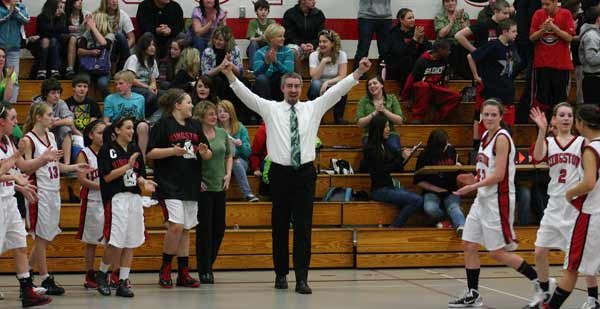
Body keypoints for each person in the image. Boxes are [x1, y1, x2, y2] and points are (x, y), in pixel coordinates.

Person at [223, 53, 373, 294]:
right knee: (279, 226)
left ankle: (302, 278)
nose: (293, 90)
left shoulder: (313, 108)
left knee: (304, 228)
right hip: (280, 174)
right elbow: (247, 96)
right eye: (289, 86)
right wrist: (230, 73)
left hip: (304, 174)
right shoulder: (270, 109)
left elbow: (336, 92)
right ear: (282, 88)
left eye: (297, 86)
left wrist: (358, 74)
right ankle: (281, 274)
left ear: (301, 89)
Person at [448, 99, 541, 308]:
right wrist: (472, 178)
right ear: (481, 116)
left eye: (493, 115)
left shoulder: (502, 138)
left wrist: (472, 187)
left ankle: (541, 284)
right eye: (486, 114)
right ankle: (473, 293)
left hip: (498, 199)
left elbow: (499, 175)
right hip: (483, 198)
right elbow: (486, 170)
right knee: (469, 243)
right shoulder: (484, 136)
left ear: (501, 116)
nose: (489, 118)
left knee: (497, 252)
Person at [529, 104, 599, 309]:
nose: (566, 118)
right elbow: (538, 157)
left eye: (570, 115)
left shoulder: (583, 142)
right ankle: (544, 292)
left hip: (576, 205)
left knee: (581, 257)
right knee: (540, 251)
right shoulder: (549, 142)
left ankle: (593, 297)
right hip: (554, 204)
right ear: (554, 120)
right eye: (562, 115)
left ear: (576, 121)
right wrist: (542, 131)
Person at [21, 102, 90, 296]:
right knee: (41, 238)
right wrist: (44, 158)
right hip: (39, 193)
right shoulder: (28, 140)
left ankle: (24, 278)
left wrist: (74, 168)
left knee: (46, 238)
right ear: (38, 117)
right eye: (50, 115)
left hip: (53, 190)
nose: (54, 118)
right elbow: (25, 168)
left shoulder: (51, 136)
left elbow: (56, 166)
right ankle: (45, 278)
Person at [148, 89, 211, 289]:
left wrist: (204, 151)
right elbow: (151, 153)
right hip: (169, 183)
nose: (192, 105)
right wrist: (172, 151)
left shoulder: (195, 126)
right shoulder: (163, 124)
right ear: (177, 105)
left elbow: (207, 155)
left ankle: (183, 273)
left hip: (191, 183)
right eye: (188, 102)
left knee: (185, 229)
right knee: (175, 225)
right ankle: (165, 268)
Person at [94, 117, 157, 298]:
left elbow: (138, 175)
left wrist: (145, 183)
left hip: (134, 198)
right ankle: (102, 275)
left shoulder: (135, 148)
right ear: (117, 130)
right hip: (116, 200)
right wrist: (126, 167)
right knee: (115, 242)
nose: (132, 131)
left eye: (133, 128)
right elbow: (106, 177)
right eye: (128, 128)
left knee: (131, 241)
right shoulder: (107, 149)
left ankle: (123, 281)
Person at [0, 103, 53, 307]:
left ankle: (27, 291)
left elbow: (21, 167)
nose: (16, 123)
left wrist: (42, 159)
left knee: (20, 244)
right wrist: (15, 177)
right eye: (12, 119)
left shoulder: (8, 140)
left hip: (8, 200)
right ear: (2, 121)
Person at [192, 101, 232, 284]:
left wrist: (229, 173)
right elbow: (190, 160)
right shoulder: (196, 135)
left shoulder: (223, 133)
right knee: (205, 229)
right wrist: (196, 179)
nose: (215, 117)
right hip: (204, 187)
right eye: (210, 114)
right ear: (201, 116)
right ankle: (204, 269)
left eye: (215, 113)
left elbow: (228, 155)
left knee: (219, 228)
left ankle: (209, 263)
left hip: (220, 184)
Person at [364, 114, 424, 227]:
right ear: (379, 128)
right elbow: (381, 170)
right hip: (380, 189)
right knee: (417, 200)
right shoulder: (371, 149)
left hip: (390, 186)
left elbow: (398, 167)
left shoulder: (385, 145)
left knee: (418, 199)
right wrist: (401, 157)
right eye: (386, 127)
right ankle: (394, 228)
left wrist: (406, 156)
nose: (388, 130)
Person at [467, 19, 520, 138]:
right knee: (488, 129)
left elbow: (515, 63)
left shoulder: (512, 46)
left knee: (507, 130)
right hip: (492, 92)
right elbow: (471, 57)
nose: (516, 33)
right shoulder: (493, 45)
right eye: (513, 31)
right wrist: (476, 75)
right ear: (505, 32)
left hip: (507, 93)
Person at [414, 128, 465, 235]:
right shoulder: (424, 155)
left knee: (454, 207)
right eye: (444, 145)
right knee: (430, 209)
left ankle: (462, 227)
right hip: (432, 190)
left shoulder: (451, 151)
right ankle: (447, 219)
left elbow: (461, 169)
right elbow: (418, 181)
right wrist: (438, 189)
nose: (447, 146)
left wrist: (459, 166)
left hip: (450, 189)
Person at [75, 119, 106, 289]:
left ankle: (108, 272)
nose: (103, 136)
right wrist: (104, 186)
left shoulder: (109, 152)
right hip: (92, 201)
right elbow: (82, 180)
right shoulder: (84, 153)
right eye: (100, 133)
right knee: (91, 241)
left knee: (112, 239)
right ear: (91, 135)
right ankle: (89, 273)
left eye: (105, 132)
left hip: (109, 200)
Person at [529, 0, 575, 114]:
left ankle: (558, 129)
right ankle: (543, 128)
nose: (544, 7)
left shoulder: (565, 14)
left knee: (560, 102)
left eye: (547, 4)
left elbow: (569, 38)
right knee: (542, 102)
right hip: (542, 64)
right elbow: (532, 38)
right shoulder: (538, 14)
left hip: (561, 65)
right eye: (542, 4)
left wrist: (554, 28)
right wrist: (543, 29)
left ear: (555, 2)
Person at [201, 26, 253, 123]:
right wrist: (220, 67)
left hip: (231, 77)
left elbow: (240, 72)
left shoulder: (235, 50)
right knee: (219, 82)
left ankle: (244, 117)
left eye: (220, 40)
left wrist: (231, 65)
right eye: (215, 39)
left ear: (227, 41)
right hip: (215, 79)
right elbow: (205, 74)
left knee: (245, 82)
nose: (217, 42)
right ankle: (223, 113)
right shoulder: (208, 51)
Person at [401, 39, 460, 124]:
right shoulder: (422, 61)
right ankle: (418, 118)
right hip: (421, 91)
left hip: (436, 89)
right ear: (440, 50)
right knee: (424, 86)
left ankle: (439, 118)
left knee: (456, 96)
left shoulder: (445, 60)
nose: (449, 52)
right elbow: (411, 78)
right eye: (447, 50)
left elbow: (443, 80)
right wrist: (405, 97)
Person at [217, 100, 259, 202]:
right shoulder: (215, 128)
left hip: (239, 160)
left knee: (236, 162)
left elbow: (248, 153)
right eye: (219, 111)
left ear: (231, 113)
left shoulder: (240, 128)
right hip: (221, 161)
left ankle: (248, 193)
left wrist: (240, 146)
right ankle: (217, 195)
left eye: (225, 111)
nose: (222, 114)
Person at [103, 70, 149, 162]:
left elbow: (141, 118)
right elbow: (106, 121)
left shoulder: (140, 98)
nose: (117, 87)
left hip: (134, 125)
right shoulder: (110, 98)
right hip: (118, 126)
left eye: (121, 84)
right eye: (116, 84)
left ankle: (142, 160)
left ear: (130, 84)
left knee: (143, 126)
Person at [32, 78, 80, 165]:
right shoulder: (37, 104)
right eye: (53, 93)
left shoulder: (61, 103)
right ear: (46, 94)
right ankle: (52, 164)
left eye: (58, 93)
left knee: (65, 129)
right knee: (47, 131)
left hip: (56, 134)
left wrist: (54, 123)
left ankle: (66, 164)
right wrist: (53, 122)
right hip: (40, 134)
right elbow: (35, 123)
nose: (57, 96)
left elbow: (70, 120)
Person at [308, 29, 348, 124]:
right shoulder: (314, 55)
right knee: (316, 84)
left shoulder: (341, 54)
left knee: (343, 85)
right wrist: (323, 62)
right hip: (317, 88)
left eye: (325, 41)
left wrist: (328, 82)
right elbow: (314, 77)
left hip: (332, 85)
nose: (321, 44)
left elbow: (342, 76)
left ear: (333, 43)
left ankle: (338, 117)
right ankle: (318, 117)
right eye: (320, 41)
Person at [383, 8, 431, 88]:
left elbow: (428, 50)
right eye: (409, 18)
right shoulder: (393, 33)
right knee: (407, 60)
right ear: (401, 20)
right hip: (398, 65)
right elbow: (399, 52)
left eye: (413, 17)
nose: (413, 20)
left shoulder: (417, 31)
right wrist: (414, 39)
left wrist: (422, 43)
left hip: (415, 64)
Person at [355, 75, 404, 151]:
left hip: (390, 133)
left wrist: (384, 110)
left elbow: (400, 121)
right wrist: (374, 113)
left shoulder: (392, 98)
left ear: (382, 85)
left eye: (375, 83)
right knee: (371, 151)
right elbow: (359, 124)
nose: (372, 86)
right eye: (369, 85)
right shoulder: (363, 101)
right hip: (370, 134)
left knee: (394, 149)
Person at [77, 11, 115, 99]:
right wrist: (90, 52)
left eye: (94, 21)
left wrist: (94, 28)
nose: (92, 23)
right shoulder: (87, 34)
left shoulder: (110, 35)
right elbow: (79, 51)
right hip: (88, 68)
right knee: (83, 83)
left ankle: (110, 102)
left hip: (103, 70)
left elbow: (104, 43)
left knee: (102, 83)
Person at [252, 23, 294, 101]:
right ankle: (267, 107)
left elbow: (290, 72)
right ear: (271, 39)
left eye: (283, 36)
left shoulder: (288, 51)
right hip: (265, 84)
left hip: (280, 84)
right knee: (261, 78)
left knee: (283, 78)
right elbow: (256, 73)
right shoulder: (260, 52)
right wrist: (266, 64)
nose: (283, 38)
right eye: (280, 36)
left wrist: (276, 62)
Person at [123, 33, 160, 121]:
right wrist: (148, 87)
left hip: (146, 88)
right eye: (149, 45)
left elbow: (153, 79)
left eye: (153, 45)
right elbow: (130, 79)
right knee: (151, 96)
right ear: (143, 46)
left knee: (164, 96)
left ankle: (149, 118)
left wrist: (153, 86)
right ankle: (140, 118)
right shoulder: (134, 58)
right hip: (132, 87)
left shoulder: (153, 61)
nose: (152, 48)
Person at [283, 0, 325, 72]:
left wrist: (312, 45)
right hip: (297, 45)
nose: (314, 2)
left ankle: (317, 79)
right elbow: (289, 35)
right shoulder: (289, 14)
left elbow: (321, 34)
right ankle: (298, 79)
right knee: (292, 51)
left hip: (313, 45)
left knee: (325, 48)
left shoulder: (319, 14)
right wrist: (301, 44)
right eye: (311, 0)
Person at [0, 0, 29, 102]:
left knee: (13, 78)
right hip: (0, 48)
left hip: (14, 49)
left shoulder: (20, 6)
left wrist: (15, 9)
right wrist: (9, 13)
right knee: (1, 78)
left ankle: (10, 105)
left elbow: (26, 19)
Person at [434, 0, 471, 79]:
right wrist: (452, 21)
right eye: (447, 1)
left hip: (460, 44)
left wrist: (461, 20)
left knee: (464, 47)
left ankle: (464, 77)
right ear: (443, 4)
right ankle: (453, 75)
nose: (450, 3)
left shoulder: (464, 15)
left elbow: (469, 32)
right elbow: (441, 34)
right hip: (446, 44)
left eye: (452, 1)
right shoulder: (439, 16)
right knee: (451, 48)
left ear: (456, 2)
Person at [353, 0, 392, 70]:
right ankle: (357, 77)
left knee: (385, 51)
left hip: (385, 18)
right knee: (363, 50)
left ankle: (382, 76)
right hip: (366, 17)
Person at [97, 0, 136, 68]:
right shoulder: (98, 15)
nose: (114, 1)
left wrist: (124, 49)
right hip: (105, 46)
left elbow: (132, 38)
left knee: (119, 35)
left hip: (120, 50)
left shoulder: (123, 15)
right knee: (111, 37)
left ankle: (123, 67)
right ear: (105, 2)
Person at [35, 0, 68, 79]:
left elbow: (64, 31)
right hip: (42, 42)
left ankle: (53, 70)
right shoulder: (41, 17)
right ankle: (42, 71)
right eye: (58, 7)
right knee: (46, 40)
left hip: (58, 43)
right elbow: (42, 31)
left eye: (61, 7)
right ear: (51, 8)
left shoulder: (62, 17)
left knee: (52, 40)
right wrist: (53, 30)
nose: (60, 10)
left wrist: (50, 32)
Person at [579, 6, 600, 105]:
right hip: (593, 81)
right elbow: (592, 59)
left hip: (595, 79)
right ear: (598, 18)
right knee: (593, 114)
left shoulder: (596, 34)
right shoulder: (591, 36)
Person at [246, 0, 275, 69]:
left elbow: (274, 38)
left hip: (267, 47)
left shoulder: (272, 22)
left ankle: (272, 67)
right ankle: (253, 69)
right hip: (255, 48)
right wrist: (261, 38)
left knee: (273, 44)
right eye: (260, 10)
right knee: (253, 43)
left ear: (268, 12)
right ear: (256, 12)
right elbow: (251, 39)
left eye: (265, 10)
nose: (263, 12)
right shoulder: (253, 22)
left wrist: (267, 38)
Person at [64, 0, 88, 78]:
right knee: (73, 38)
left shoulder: (86, 14)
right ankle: (70, 68)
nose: (80, 2)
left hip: (82, 36)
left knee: (81, 40)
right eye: (77, 1)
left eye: (81, 1)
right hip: (68, 37)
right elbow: (63, 29)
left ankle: (83, 69)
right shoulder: (65, 15)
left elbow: (88, 30)